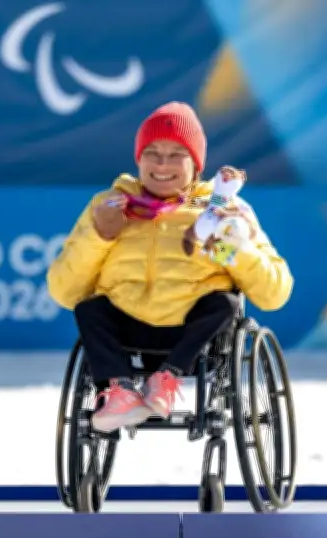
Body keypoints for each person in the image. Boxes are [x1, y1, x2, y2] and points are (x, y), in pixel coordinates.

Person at [47, 102, 293, 433]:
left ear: (196, 164)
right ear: (138, 159)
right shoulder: (109, 205)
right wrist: (100, 235)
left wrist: (231, 249)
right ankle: (119, 391)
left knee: (225, 303)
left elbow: (274, 293)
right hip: (127, 329)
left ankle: (167, 379)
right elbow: (64, 291)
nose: (162, 164)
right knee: (90, 309)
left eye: (177, 154)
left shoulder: (224, 209)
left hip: (193, 337)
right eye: (152, 153)